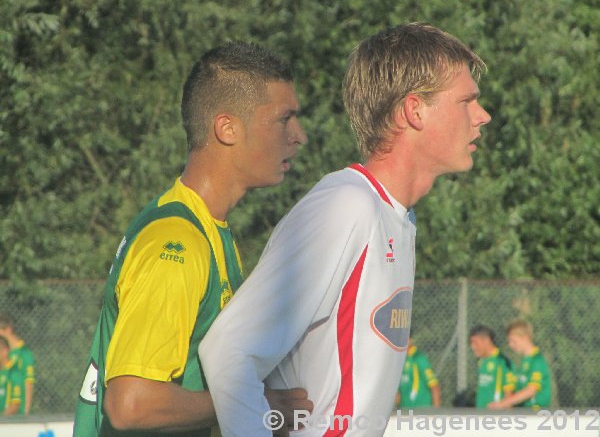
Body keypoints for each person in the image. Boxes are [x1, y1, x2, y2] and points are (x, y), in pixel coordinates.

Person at [200, 22, 492, 435]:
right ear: (414, 110)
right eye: (466, 101)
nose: (482, 115)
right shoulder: (347, 206)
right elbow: (228, 351)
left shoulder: (398, 217)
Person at [73, 41, 310, 436]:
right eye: (284, 119)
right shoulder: (176, 244)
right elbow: (132, 404)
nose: (299, 136)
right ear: (227, 128)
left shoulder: (209, 231)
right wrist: (253, 405)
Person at [489, 320, 551, 410]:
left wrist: (503, 403)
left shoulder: (537, 361)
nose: (510, 345)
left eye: (513, 341)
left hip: (536, 414)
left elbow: (531, 391)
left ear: (524, 337)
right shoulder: (524, 362)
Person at [469, 324, 514, 408]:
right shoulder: (482, 361)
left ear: (486, 340)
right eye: (471, 343)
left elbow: (509, 394)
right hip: (481, 415)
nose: (472, 347)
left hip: (496, 417)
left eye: (475, 342)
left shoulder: (502, 362)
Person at [0, 313, 35, 415]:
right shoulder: (4, 352)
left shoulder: (24, 354)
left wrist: (26, 412)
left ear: (8, 330)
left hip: (18, 412)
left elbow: (28, 383)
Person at [396, 336, 441, 409]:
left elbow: (434, 386)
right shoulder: (399, 359)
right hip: (404, 410)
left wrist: (436, 414)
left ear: (410, 340)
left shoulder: (419, 358)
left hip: (422, 411)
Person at [0, 336, 23, 416]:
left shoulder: (13, 373)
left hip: (8, 423)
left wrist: (2, 420)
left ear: (5, 351)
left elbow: (15, 405)